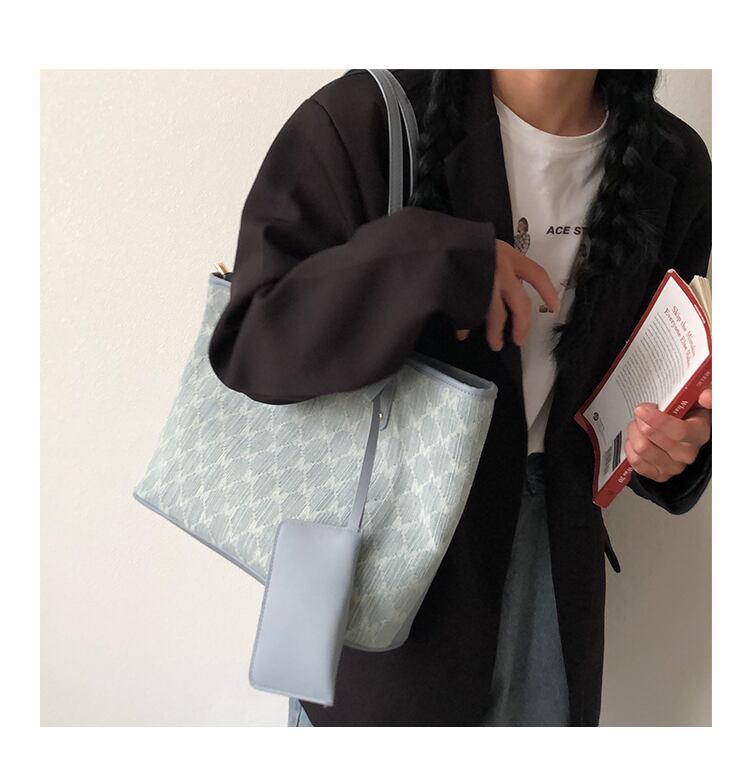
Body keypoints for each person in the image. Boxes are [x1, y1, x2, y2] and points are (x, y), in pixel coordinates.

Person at [207, 69, 712, 727]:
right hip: (389, 562)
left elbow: (663, 376)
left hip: (557, 573)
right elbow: (253, 342)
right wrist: (438, 254)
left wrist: (680, 447)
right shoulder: (371, 119)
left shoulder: (671, 162)